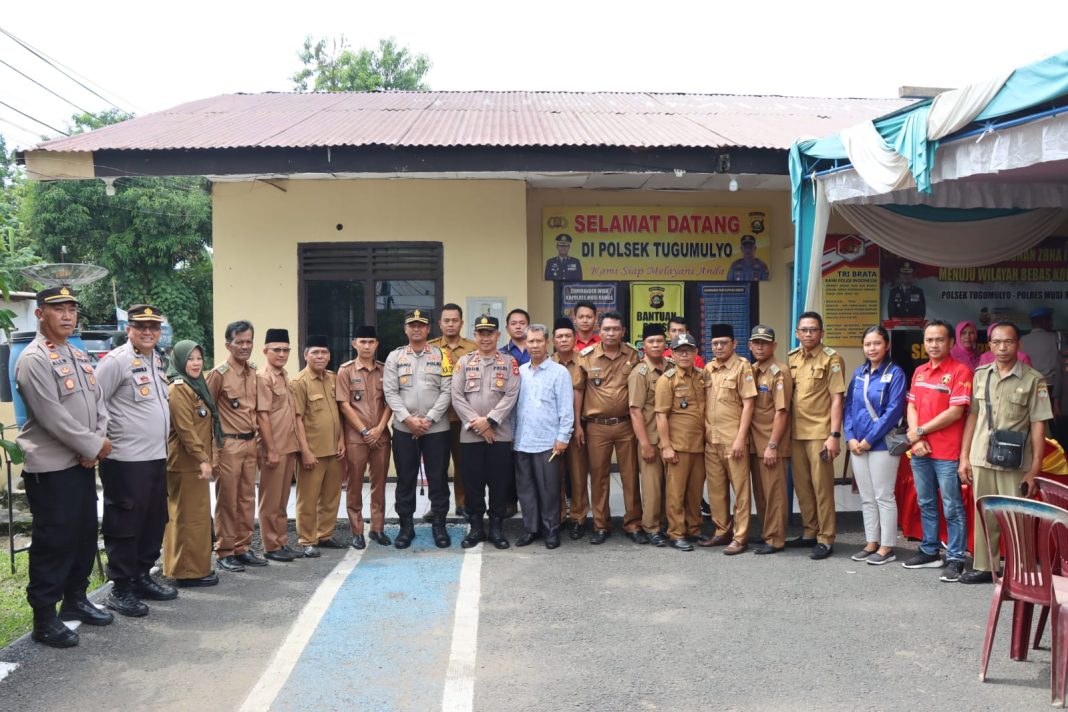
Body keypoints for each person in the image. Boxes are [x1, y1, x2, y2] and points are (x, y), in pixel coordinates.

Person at [16, 286, 112, 648]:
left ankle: (76, 598)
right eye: (59, 309)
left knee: (84, 534)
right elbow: (51, 416)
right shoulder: (33, 359)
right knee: (53, 542)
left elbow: (98, 402)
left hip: (82, 463)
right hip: (52, 468)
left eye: (72, 308)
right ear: (41, 314)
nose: (68, 315)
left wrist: (97, 444)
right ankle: (44, 618)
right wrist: (92, 445)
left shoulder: (77, 353)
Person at [96, 304, 176, 617]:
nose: (147, 332)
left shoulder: (157, 360)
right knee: (125, 523)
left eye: (153, 327)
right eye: (140, 326)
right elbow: (94, 402)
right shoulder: (116, 361)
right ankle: (121, 587)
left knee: (153, 520)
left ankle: (142, 576)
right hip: (125, 459)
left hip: (156, 457)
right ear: (129, 329)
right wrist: (97, 443)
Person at [959, 322, 1052, 584]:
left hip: (1016, 460)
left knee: (1017, 515)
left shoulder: (1034, 379)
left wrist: (1034, 469)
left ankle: (1020, 567)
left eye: (1008, 342)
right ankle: (985, 566)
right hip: (981, 456)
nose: (1002, 347)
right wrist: (964, 456)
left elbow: (1038, 423)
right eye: (997, 342)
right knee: (985, 514)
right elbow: (973, 416)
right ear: (989, 345)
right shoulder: (980, 374)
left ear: (1018, 345)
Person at [902, 320, 972, 582]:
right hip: (921, 451)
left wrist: (919, 432)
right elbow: (912, 406)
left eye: (939, 339)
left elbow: (955, 412)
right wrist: (915, 436)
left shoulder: (961, 371)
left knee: (952, 506)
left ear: (951, 343)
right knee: (926, 502)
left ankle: (955, 558)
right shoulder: (919, 371)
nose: (933, 344)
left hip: (947, 452)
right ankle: (930, 551)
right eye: (929, 339)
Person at [384, 308, 454, 549]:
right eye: (412, 325)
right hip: (405, 429)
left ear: (427, 329)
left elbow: (448, 390)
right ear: (406, 329)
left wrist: (430, 419)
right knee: (405, 479)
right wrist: (408, 419)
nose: (416, 329)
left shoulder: (441, 355)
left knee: (438, 478)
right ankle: (406, 527)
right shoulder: (395, 357)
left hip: (436, 429)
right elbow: (390, 392)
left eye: (421, 325)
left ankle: (439, 525)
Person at [451, 315, 520, 549]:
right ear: (475, 336)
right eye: (481, 333)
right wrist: (478, 423)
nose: (485, 337)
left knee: (500, 483)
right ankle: (477, 528)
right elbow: (456, 396)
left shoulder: (509, 363)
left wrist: (490, 421)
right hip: (471, 436)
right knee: (473, 484)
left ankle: (497, 529)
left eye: (490, 333)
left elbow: (512, 395)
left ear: (498, 335)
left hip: (499, 435)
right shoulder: (464, 362)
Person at [575, 311, 642, 544]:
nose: (611, 333)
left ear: (623, 331)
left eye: (616, 329)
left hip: (626, 426)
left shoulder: (634, 355)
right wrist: (577, 426)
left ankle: (633, 523)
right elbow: (579, 392)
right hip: (597, 427)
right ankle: (601, 525)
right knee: (599, 476)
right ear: (599, 331)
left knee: (630, 476)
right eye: (606, 329)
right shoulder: (585, 357)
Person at [843, 326, 908, 565]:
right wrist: (850, 437)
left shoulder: (896, 373)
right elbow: (849, 407)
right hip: (857, 444)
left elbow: (893, 411)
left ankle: (887, 546)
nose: (872, 348)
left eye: (877, 343)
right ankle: (871, 542)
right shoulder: (859, 373)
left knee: (884, 496)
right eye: (867, 344)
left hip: (881, 445)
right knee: (867, 497)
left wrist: (869, 439)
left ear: (887, 345)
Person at [207, 320, 266, 571]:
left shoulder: (253, 372)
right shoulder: (218, 374)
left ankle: (243, 547)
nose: (245, 346)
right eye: (239, 342)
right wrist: (211, 452)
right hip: (228, 444)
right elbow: (206, 414)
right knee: (227, 500)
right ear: (228, 344)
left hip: (250, 442)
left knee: (246, 498)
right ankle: (225, 550)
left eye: (249, 341)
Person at [787, 311, 846, 560]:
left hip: (820, 434)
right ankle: (810, 531)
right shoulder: (792, 358)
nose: (808, 334)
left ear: (821, 332)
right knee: (803, 488)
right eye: (804, 330)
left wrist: (834, 435)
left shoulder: (831, 359)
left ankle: (826, 537)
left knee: (822, 489)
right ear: (797, 333)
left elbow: (837, 399)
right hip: (796, 434)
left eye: (813, 329)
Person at [163, 340, 221, 587]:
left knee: (196, 517)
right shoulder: (178, 389)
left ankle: (195, 568)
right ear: (179, 361)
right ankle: (185, 572)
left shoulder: (196, 385)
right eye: (190, 359)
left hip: (194, 463)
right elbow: (185, 429)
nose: (196, 363)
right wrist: (202, 459)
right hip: (185, 463)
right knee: (186, 518)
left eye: (199, 358)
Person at [513, 323, 574, 548]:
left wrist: (563, 438)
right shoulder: (520, 372)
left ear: (547, 342)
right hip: (522, 441)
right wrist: (512, 436)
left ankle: (551, 530)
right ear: (525, 343)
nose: (535, 345)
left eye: (539, 341)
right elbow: (513, 409)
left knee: (549, 491)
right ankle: (531, 529)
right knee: (526, 490)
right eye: (531, 341)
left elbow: (567, 409)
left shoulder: (559, 373)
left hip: (549, 442)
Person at [699, 324, 756, 555]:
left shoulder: (743, 367)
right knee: (716, 490)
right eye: (715, 344)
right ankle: (721, 531)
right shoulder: (708, 368)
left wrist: (741, 439)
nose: (719, 347)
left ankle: (740, 537)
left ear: (734, 344)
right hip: (711, 440)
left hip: (734, 440)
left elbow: (749, 404)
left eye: (723, 343)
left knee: (740, 491)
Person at [337, 326, 393, 549]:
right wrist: (363, 431)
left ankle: (377, 529)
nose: (367, 346)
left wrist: (380, 428)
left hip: (381, 437)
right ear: (354, 344)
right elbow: (344, 405)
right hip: (356, 438)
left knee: (379, 484)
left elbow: (390, 402)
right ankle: (357, 530)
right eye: (363, 342)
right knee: (355, 484)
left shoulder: (385, 370)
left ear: (377, 344)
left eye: (371, 342)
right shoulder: (346, 371)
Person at [291, 335, 346, 557]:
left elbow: (339, 413)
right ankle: (307, 540)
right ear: (306, 356)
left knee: (331, 495)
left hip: (334, 449)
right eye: (315, 352)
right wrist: (304, 451)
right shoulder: (299, 382)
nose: (320, 356)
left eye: (324, 352)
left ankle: (325, 535)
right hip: (312, 451)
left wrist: (341, 440)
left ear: (329, 356)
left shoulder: (332, 378)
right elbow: (297, 419)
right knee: (308, 498)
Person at [655, 333, 707, 551]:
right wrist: (666, 446)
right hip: (678, 446)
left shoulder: (703, 376)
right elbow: (660, 415)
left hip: (701, 445)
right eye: (679, 350)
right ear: (672, 354)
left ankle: (694, 529)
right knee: (676, 493)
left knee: (695, 492)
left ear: (696, 352)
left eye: (689, 350)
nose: (684, 354)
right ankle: (676, 533)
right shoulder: (666, 381)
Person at [255, 328, 301, 562]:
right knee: (270, 499)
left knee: (282, 499)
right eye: (277, 350)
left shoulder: (283, 375)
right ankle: (270, 545)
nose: (282, 354)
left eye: (286, 350)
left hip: (288, 446)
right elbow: (262, 416)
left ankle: (281, 541)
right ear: (265, 351)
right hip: (273, 448)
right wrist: (271, 449)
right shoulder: (264, 377)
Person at [747, 325, 793, 555]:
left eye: (765, 342)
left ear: (774, 345)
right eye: (756, 342)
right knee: (761, 493)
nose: (760, 346)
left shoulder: (779, 372)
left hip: (771, 443)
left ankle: (776, 538)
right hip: (755, 443)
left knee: (774, 493)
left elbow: (781, 411)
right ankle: (767, 532)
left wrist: (773, 445)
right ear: (750, 345)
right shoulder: (753, 370)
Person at [428, 304, 477, 519]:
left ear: (461, 323)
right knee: (436, 465)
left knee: (463, 464)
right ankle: (438, 505)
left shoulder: (473, 348)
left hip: (461, 417)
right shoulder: (429, 348)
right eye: (446, 320)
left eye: (454, 320)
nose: (450, 324)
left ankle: (462, 502)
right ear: (439, 324)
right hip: (436, 418)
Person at [628, 323, 670, 546]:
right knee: (652, 488)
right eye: (651, 341)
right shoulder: (639, 373)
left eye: (659, 341)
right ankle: (652, 527)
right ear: (643, 345)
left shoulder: (671, 367)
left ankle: (667, 525)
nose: (656, 345)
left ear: (666, 343)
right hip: (651, 440)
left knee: (669, 487)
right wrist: (644, 443)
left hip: (671, 440)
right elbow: (635, 411)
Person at [552, 317, 591, 540]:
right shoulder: (547, 362)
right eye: (560, 336)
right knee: (555, 475)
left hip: (579, 427)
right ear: (553, 341)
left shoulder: (584, 362)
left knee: (577, 474)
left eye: (568, 335)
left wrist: (577, 426)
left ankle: (578, 518)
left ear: (575, 339)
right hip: (552, 429)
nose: (564, 339)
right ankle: (558, 516)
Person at [1021, 307, 1062, 415]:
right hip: (1052, 389)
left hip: (1031, 388)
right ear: (1044, 321)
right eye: (1050, 320)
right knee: (1054, 424)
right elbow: (1062, 368)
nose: (1052, 323)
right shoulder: (1057, 338)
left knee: (1038, 421)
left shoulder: (1021, 341)